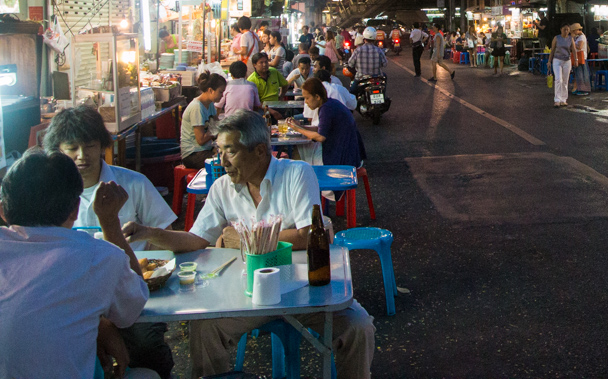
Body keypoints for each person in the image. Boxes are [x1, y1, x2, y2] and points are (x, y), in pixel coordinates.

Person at [122, 111, 375, 379]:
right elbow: (195, 239)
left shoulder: (296, 174)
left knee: (357, 327)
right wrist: (146, 232)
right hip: (245, 295)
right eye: (219, 151)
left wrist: (239, 239)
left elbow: (308, 235)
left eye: (230, 151)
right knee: (205, 329)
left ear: (259, 151)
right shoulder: (222, 188)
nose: (222, 161)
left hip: (301, 290)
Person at [45, 106, 176, 378]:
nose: (82, 156)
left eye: (90, 146)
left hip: (135, 293)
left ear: (103, 145)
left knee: (146, 344)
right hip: (74, 301)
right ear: (57, 150)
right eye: (72, 148)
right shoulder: (52, 199)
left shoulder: (134, 184)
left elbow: (166, 238)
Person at [0, 151, 154, 379]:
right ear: (75, 209)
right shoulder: (99, 257)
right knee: (146, 376)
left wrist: (99, 325)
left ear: (3, 211)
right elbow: (132, 308)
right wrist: (110, 223)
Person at [287, 78, 362, 167]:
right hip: (349, 152)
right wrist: (301, 126)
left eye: (307, 98)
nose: (306, 102)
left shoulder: (327, 109)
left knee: (306, 165)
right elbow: (321, 128)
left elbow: (320, 137)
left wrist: (298, 129)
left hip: (345, 158)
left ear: (317, 97)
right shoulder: (329, 103)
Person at [180, 72, 226, 169]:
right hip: (193, 154)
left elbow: (217, 124)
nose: (222, 96)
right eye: (220, 92)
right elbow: (200, 140)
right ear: (211, 90)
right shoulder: (197, 108)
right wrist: (215, 129)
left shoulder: (210, 104)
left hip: (206, 149)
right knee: (225, 163)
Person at [548, 24, 575, 107]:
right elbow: (552, 50)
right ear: (561, 29)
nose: (566, 31)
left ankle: (563, 99)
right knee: (558, 79)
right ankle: (557, 99)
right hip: (557, 60)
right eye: (564, 29)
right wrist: (549, 61)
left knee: (565, 80)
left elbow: (573, 49)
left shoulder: (571, 39)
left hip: (567, 60)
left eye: (567, 30)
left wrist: (576, 60)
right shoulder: (556, 38)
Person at [570, 23, 591, 96]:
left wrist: (572, 40)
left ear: (576, 30)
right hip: (577, 57)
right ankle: (579, 88)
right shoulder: (577, 37)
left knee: (581, 74)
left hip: (581, 58)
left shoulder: (581, 37)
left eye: (573, 31)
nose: (572, 33)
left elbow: (579, 47)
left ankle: (584, 90)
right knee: (578, 74)